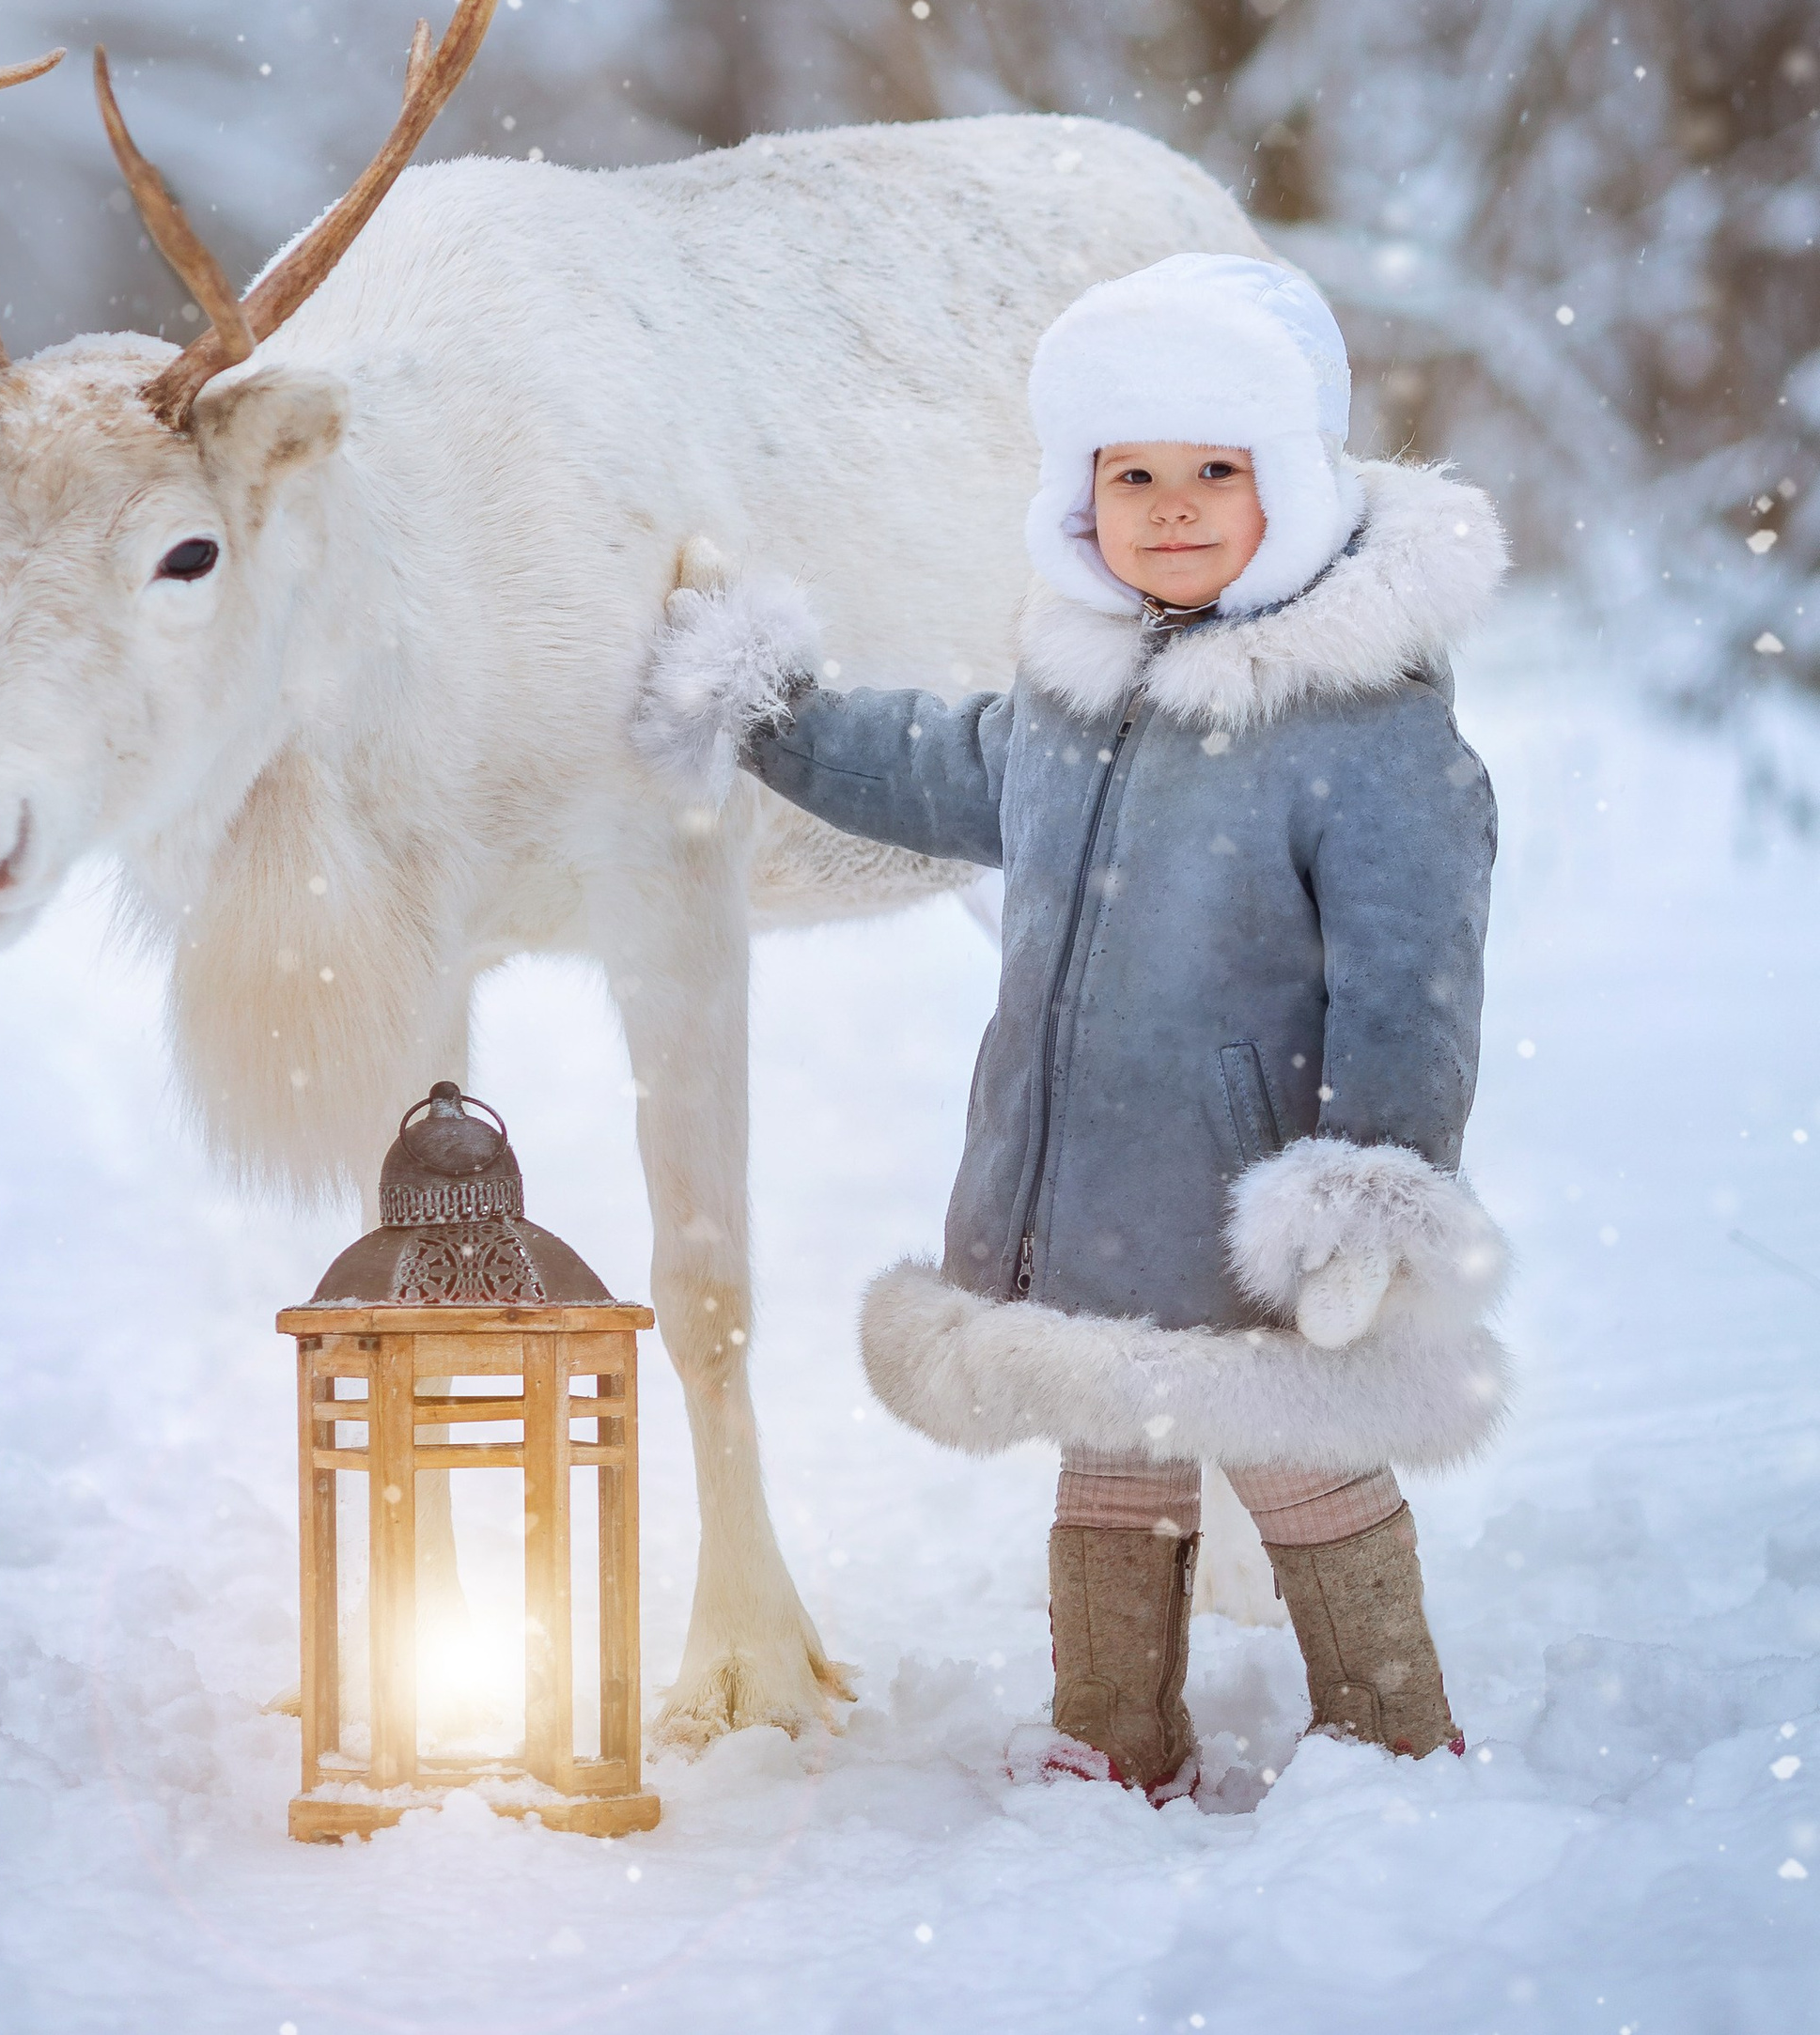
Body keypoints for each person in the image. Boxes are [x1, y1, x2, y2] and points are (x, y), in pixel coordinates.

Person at [632, 251, 1509, 1797]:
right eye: (1133, 473)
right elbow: (921, 762)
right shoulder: (1070, 701)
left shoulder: (1366, 730)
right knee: (1112, 1473)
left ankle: (1393, 1730)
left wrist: (1369, 1185)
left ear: (1292, 485)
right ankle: (1115, 1731)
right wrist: (768, 704)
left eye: (1215, 471)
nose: (1170, 506)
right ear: (1079, 494)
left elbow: (1412, 978)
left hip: (1265, 1221)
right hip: (1088, 1192)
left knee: (1302, 1459)